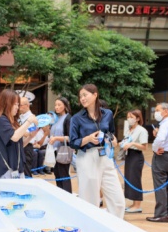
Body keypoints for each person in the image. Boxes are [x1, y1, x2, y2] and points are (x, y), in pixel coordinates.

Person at [69, 84, 125, 218]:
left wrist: (113, 140)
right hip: (87, 157)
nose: (82, 98)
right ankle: (89, 227)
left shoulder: (108, 114)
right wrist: (88, 139)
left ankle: (113, 227)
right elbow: (73, 142)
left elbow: (111, 132)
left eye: (85, 95)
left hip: (106, 156)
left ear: (95, 95)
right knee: (90, 201)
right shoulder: (76, 118)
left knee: (118, 201)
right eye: (80, 96)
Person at [147, 102, 168, 223]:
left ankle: (161, 214)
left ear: (166, 111)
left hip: (162, 156)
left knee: (160, 186)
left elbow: (160, 139)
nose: (155, 113)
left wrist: (155, 148)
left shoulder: (165, 124)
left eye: (157, 110)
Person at [0, 90, 37, 179]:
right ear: (6, 104)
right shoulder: (1, 120)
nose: (17, 107)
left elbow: (20, 145)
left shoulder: (13, 121)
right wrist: (29, 121)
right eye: (15, 104)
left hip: (18, 168)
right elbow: (14, 137)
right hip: (6, 169)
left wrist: (31, 136)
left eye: (18, 105)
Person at [122, 109, 148, 213]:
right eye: (128, 117)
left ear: (137, 118)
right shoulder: (129, 129)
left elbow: (144, 147)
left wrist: (132, 144)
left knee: (135, 179)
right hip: (129, 155)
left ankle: (137, 205)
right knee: (130, 179)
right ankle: (133, 203)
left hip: (136, 156)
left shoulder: (142, 130)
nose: (129, 119)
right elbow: (126, 140)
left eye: (131, 117)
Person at [48, 97, 73, 193]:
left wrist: (56, 138)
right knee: (57, 174)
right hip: (54, 150)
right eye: (55, 105)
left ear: (65, 106)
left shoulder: (68, 118)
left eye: (59, 105)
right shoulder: (55, 119)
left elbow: (70, 137)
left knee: (63, 174)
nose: (56, 107)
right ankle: (60, 194)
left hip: (63, 151)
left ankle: (67, 195)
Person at [18, 96, 38, 178]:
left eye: (20, 105)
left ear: (27, 105)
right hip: (19, 144)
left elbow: (29, 134)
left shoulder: (32, 118)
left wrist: (17, 129)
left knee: (26, 170)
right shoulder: (19, 117)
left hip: (27, 146)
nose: (19, 107)